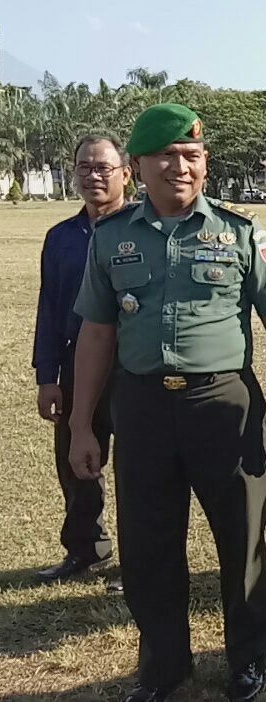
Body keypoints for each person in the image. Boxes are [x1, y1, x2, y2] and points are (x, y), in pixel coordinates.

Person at [68, 103, 266, 702]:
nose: (181, 166)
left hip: (223, 405)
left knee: (241, 538)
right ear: (139, 166)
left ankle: (247, 660)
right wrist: (81, 426)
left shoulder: (239, 231)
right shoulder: (112, 238)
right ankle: (163, 666)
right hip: (143, 406)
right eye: (166, 156)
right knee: (148, 544)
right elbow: (96, 333)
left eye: (192, 156)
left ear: (205, 164)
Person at [32, 133, 129, 585]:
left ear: (126, 174)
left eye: (103, 167)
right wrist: (47, 375)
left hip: (132, 363)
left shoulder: (142, 229)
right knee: (76, 461)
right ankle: (86, 547)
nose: (93, 176)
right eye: (84, 168)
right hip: (76, 365)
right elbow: (49, 307)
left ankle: (139, 557)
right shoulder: (61, 238)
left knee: (138, 466)